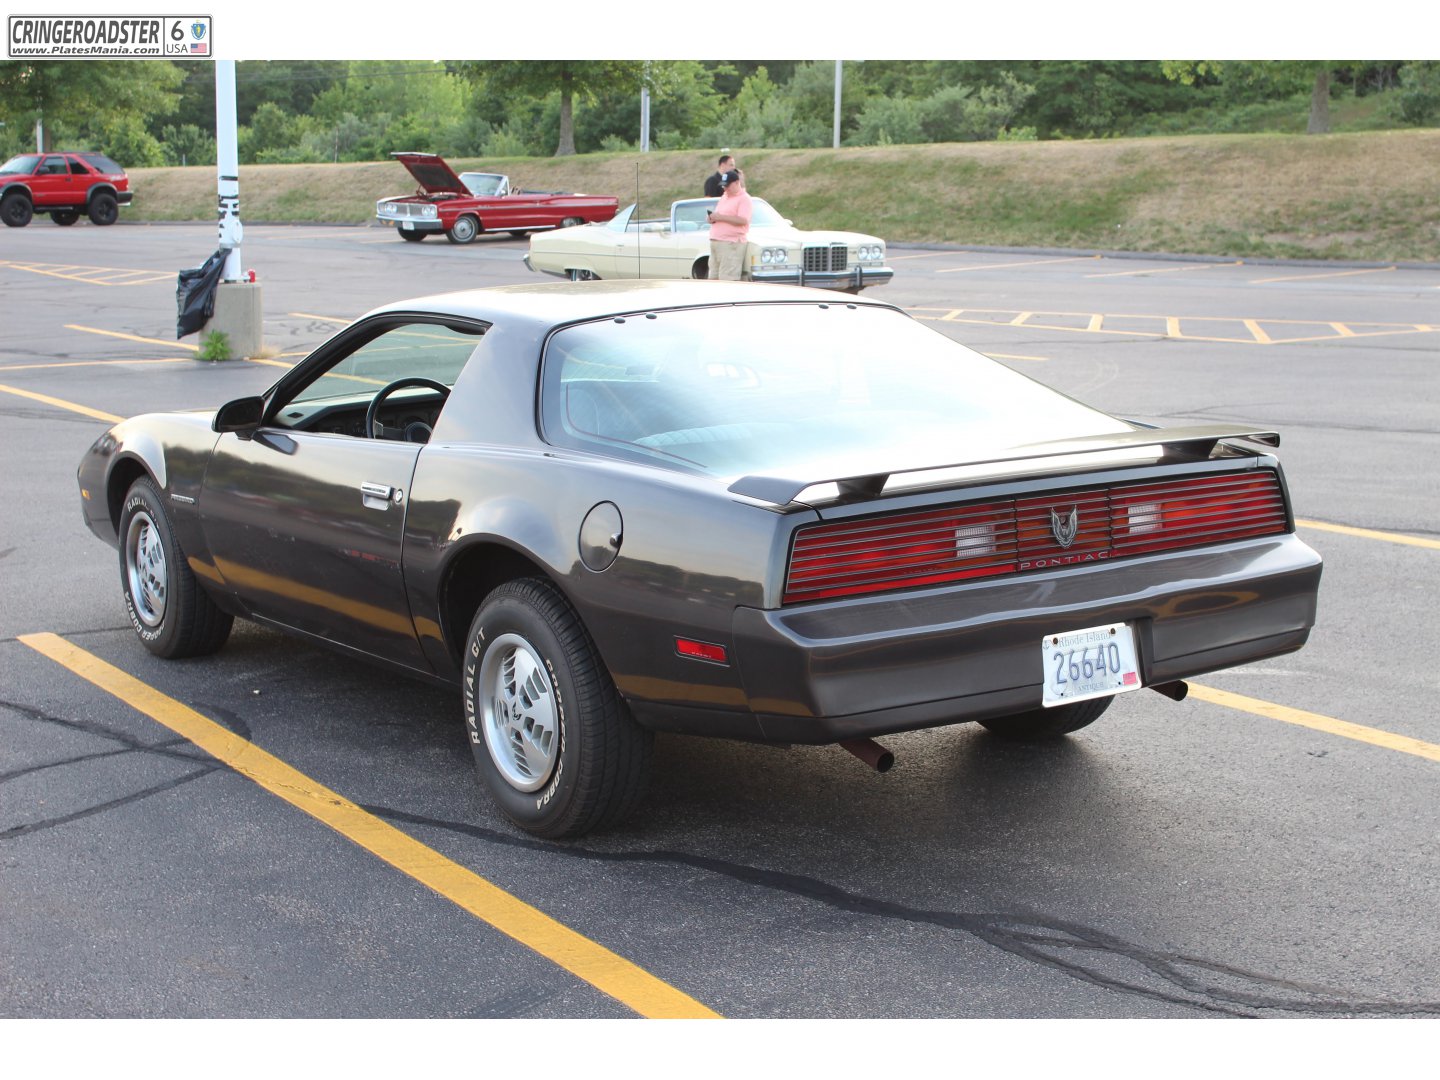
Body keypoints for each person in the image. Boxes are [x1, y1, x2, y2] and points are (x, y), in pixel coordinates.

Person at [706, 169, 752, 281]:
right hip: (716, 242)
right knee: (713, 277)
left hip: (731, 243)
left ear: (737, 183)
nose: (725, 188)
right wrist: (712, 218)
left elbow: (743, 220)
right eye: (723, 186)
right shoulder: (724, 197)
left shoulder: (744, 199)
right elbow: (720, 214)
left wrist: (720, 217)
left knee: (727, 278)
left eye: (727, 186)